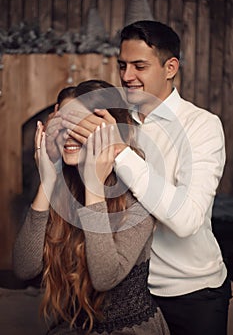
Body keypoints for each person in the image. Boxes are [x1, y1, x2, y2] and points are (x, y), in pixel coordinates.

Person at [56, 22, 232, 335]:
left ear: (170, 67)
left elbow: (187, 220)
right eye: (122, 65)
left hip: (191, 291)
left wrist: (120, 153)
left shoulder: (201, 126)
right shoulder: (116, 118)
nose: (126, 76)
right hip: (131, 294)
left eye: (140, 66)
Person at [13, 80, 170, 335]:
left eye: (82, 125)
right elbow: (23, 268)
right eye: (63, 124)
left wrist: (94, 187)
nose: (69, 135)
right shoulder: (62, 188)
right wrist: (47, 180)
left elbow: (104, 278)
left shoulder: (138, 193)